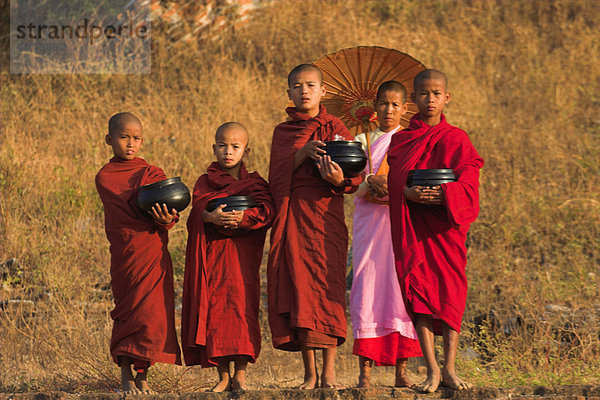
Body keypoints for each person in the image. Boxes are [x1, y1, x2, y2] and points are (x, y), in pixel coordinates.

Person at [387, 69, 484, 393]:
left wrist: (444, 194)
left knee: (451, 294)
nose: (430, 100)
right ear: (413, 99)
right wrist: (407, 193)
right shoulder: (401, 140)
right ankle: (430, 369)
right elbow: (395, 180)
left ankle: (450, 368)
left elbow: (469, 180)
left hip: (445, 228)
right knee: (420, 298)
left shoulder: (457, 138)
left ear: (447, 97)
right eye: (423, 94)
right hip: (416, 228)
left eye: (436, 93)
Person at [267, 64, 363, 389]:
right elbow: (276, 176)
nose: (304, 91)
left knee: (329, 283)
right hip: (295, 213)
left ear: (323, 92)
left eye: (310, 85)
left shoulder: (335, 127)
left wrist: (340, 178)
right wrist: (303, 153)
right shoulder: (284, 132)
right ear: (289, 93)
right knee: (301, 287)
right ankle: (309, 373)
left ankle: (331, 371)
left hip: (326, 213)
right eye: (297, 86)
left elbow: (356, 170)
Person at [181, 122, 275, 392]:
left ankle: (241, 374)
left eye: (235, 146)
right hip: (215, 256)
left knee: (242, 309)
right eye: (222, 146)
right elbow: (196, 212)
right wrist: (209, 217)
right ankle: (222, 375)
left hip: (242, 257)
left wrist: (244, 218)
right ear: (214, 148)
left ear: (247, 150)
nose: (228, 152)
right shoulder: (204, 181)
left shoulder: (255, 183)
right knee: (217, 312)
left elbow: (268, 211)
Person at [95, 112, 181, 394]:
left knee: (152, 315)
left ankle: (143, 375)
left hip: (152, 251)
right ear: (109, 140)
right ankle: (124, 373)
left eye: (136, 138)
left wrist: (166, 217)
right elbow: (128, 210)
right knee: (126, 311)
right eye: (124, 137)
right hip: (124, 253)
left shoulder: (151, 173)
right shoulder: (106, 177)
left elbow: (167, 212)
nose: (131, 144)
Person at [350, 81, 422, 388]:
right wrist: (369, 181)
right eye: (383, 104)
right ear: (374, 106)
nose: (388, 110)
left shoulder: (410, 140)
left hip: (399, 220)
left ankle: (401, 371)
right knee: (365, 287)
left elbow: (415, 182)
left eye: (395, 105)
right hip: (369, 221)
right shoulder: (361, 140)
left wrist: (391, 188)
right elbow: (353, 186)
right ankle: (364, 372)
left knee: (397, 289)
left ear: (405, 109)